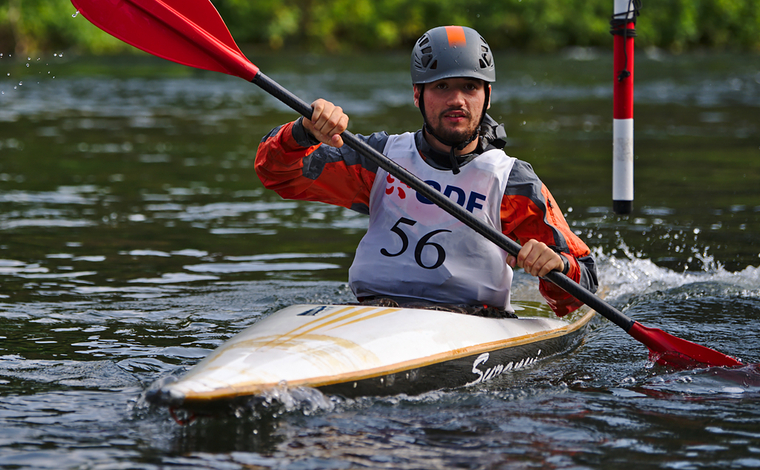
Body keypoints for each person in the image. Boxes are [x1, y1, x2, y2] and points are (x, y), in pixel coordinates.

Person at [254, 25, 598, 317]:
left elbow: (583, 285)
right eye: (442, 87)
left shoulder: (514, 184)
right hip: (376, 313)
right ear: (418, 95)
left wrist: (557, 268)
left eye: (470, 87)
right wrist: (303, 131)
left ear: (488, 96)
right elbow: (278, 174)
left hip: (472, 322)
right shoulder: (378, 159)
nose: (457, 100)